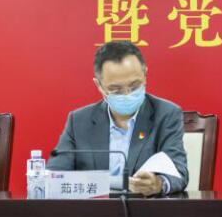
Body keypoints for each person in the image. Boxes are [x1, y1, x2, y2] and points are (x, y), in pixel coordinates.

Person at [48, 41, 188, 195]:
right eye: (116, 90)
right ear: (99, 85)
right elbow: (55, 175)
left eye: (134, 86)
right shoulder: (79, 120)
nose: (127, 94)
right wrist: (110, 182)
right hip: (93, 208)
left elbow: (179, 172)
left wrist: (159, 184)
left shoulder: (166, 114)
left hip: (144, 207)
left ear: (145, 75)